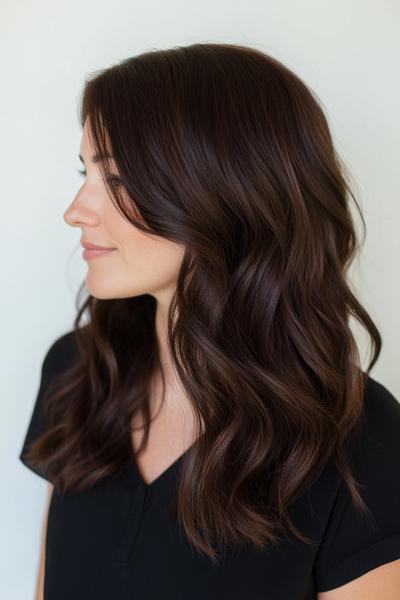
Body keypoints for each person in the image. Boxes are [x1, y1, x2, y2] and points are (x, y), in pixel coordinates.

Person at [19, 42, 400, 599]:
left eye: (118, 180)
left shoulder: (361, 439)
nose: (76, 209)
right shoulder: (78, 370)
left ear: (223, 192)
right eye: (87, 172)